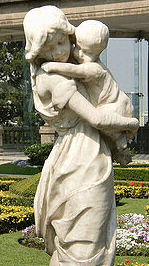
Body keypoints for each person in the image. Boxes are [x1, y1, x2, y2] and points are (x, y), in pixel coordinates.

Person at [16, 6, 138, 266]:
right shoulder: (55, 79)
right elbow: (98, 118)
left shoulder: (66, 69)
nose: (60, 51)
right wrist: (131, 122)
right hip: (78, 162)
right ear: (38, 50)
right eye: (52, 46)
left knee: (86, 245)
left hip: (88, 157)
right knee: (83, 246)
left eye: (62, 41)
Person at [40, 19, 137, 165]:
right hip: (109, 105)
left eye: (86, 52)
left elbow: (76, 71)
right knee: (106, 130)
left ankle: (129, 128)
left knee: (104, 125)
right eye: (77, 47)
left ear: (99, 52)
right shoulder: (89, 62)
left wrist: (53, 66)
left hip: (115, 106)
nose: (79, 54)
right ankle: (121, 147)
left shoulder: (95, 68)